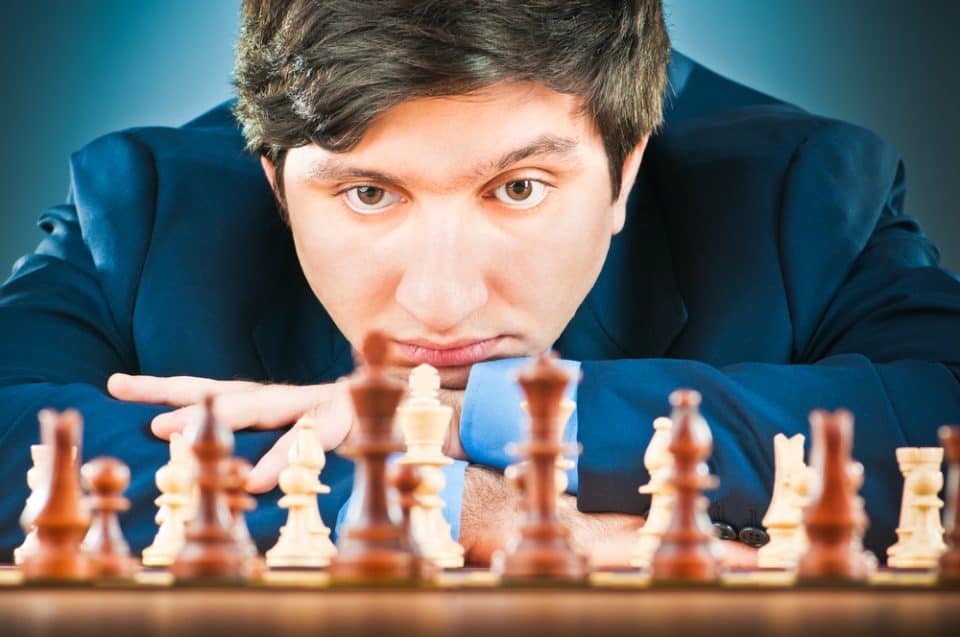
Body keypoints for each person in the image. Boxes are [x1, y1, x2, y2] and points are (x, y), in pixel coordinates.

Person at [1, 0, 958, 566]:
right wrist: (453, 505)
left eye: (519, 187)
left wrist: (473, 419)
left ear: (625, 173)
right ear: (275, 186)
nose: (443, 300)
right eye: (369, 192)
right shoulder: (142, 209)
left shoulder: (804, 193)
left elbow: (943, 412)